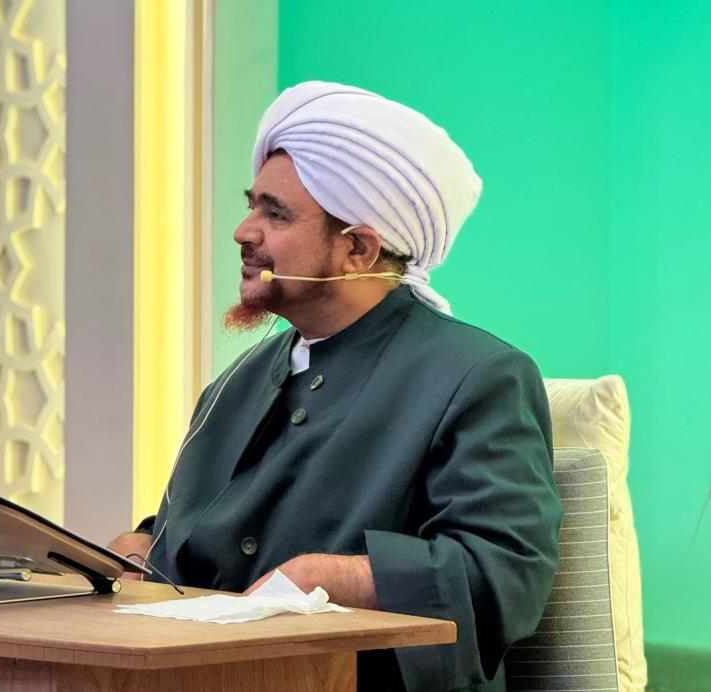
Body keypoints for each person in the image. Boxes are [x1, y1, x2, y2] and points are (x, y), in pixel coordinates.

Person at [110, 81, 562, 692]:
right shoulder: (235, 383)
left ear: (357, 249)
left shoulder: (478, 376)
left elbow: (501, 574)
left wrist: (327, 579)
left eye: (275, 214)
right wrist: (139, 550)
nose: (244, 232)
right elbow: (202, 537)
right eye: (252, 207)